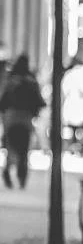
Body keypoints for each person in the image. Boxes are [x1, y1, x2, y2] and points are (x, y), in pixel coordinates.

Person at [1, 54, 45, 188]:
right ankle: (22, 174)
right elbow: (39, 100)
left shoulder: (11, 79)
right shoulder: (31, 80)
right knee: (24, 149)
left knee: (10, 147)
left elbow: (3, 100)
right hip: (26, 118)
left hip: (11, 116)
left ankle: (8, 170)